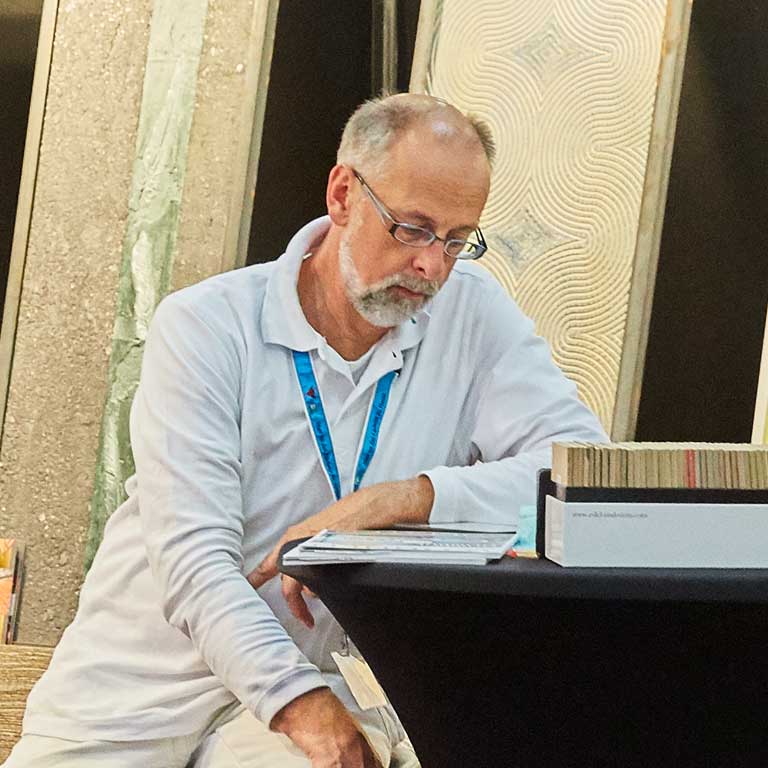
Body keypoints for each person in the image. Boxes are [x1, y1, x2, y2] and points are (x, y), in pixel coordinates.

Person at [4, 93, 607, 768]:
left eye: (457, 240)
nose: (433, 266)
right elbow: (195, 560)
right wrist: (297, 700)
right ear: (344, 194)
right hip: (142, 691)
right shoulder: (206, 326)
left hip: (323, 687)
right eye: (412, 229)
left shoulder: (472, 316)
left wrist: (408, 498)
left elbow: (586, 478)